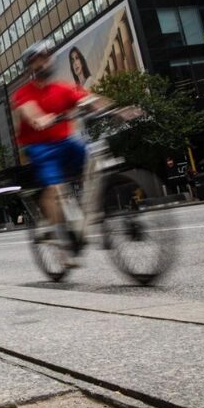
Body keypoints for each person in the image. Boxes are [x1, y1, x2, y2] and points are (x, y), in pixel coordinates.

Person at [12, 40, 135, 265]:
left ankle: (89, 212)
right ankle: (60, 240)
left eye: (46, 60)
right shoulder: (24, 94)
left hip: (66, 142)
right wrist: (40, 119)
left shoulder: (63, 88)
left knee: (93, 162)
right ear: (30, 67)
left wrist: (117, 110)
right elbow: (29, 112)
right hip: (40, 148)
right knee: (56, 188)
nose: (43, 65)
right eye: (37, 63)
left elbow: (90, 100)